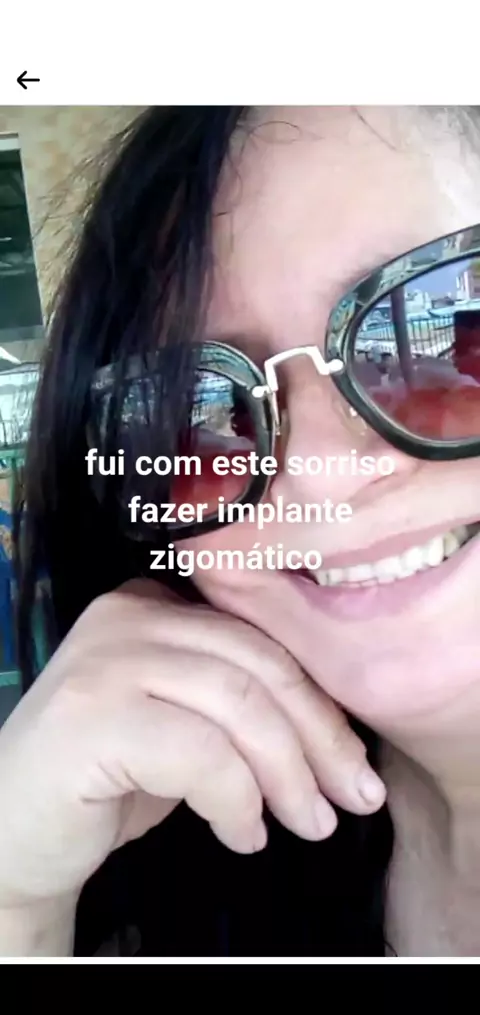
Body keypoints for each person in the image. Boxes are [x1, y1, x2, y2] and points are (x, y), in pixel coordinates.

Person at [1, 105, 480, 958]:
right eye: (196, 414)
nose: (321, 474)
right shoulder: (182, 879)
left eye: (436, 330)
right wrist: (17, 906)